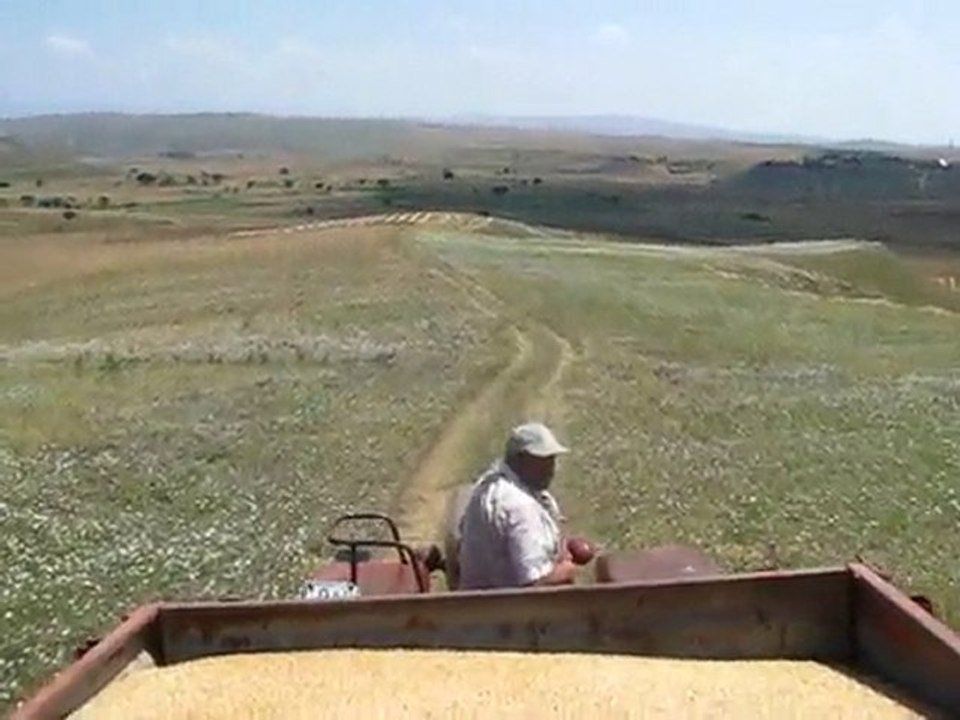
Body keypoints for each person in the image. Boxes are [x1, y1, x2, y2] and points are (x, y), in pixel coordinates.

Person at [455, 422, 578, 590]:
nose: (551, 468)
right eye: (542, 461)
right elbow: (534, 587)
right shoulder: (521, 508)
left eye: (552, 460)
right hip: (511, 611)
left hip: (475, 604)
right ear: (520, 459)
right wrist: (567, 570)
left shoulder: (487, 488)